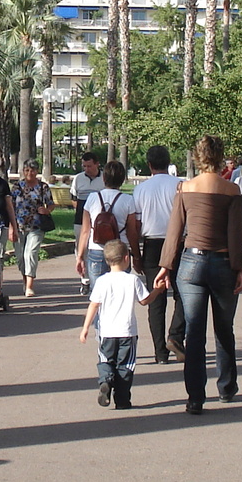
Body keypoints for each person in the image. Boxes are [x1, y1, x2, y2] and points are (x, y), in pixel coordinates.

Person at [155, 135, 242, 414]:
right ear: (220, 157)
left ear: (197, 156)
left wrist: (165, 267)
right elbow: (236, 235)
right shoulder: (231, 190)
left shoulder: (185, 188)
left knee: (194, 332)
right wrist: (240, 268)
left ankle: (195, 397)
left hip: (191, 263)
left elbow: (174, 232)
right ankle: (227, 387)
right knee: (224, 328)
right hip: (222, 263)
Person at [77, 238, 159, 410]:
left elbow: (94, 305)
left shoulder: (101, 281)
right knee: (125, 366)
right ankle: (122, 400)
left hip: (107, 331)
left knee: (106, 359)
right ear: (126, 258)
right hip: (127, 332)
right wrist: (158, 290)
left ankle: (105, 380)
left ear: (107, 261)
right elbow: (144, 301)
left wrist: (85, 328)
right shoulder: (133, 280)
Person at [133, 145, 186, 363]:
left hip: (152, 244)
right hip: (178, 243)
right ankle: (175, 335)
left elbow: (136, 225)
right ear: (168, 162)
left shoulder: (141, 189)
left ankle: (159, 352)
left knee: (156, 298)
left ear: (149, 165)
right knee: (184, 293)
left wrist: (136, 255)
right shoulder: (180, 186)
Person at [76, 160, 141, 304]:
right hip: (120, 250)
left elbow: (85, 231)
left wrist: (80, 256)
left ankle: (100, 326)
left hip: (96, 250)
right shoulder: (128, 200)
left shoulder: (92, 198)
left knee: (98, 297)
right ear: (122, 179)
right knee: (119, 296)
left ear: (104, 178)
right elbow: (132, 232)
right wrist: (136, 256)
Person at [11, 159, 55, 298]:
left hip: (36, 226)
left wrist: (47, 210)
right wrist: (11, 227)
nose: (30, 173)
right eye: (27, 170)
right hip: (18, 225)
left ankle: (30, 285)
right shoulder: (17, 187)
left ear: (37, 171)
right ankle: (25, 280)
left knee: (30, 253)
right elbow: (10, 207)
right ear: (23, 171)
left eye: (33, 170)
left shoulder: (43, 187)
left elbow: (51, 204)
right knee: (20, 257)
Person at [69, 152, 104, 227]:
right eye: (84, 166)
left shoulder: (105, 178)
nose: (86, 169)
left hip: (99, 220)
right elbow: (73, 197)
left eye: (89, 166)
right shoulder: (78, 178)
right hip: (80, 220)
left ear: (97, 164)